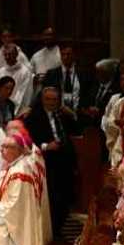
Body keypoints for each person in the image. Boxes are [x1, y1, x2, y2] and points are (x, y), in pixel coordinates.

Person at [26, 87, 81, 237]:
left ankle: (59, 230)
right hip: (46, 161)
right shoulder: (33, 117)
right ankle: (51, 232)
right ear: (42, 100)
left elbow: (77, 130)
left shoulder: (62, 116)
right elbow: (28, 141)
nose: (51, 102)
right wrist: (46, 146)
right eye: (48, 99)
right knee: (51, 198)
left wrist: (72, 114)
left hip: (64, 163)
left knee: (64, 199)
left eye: (54, 99)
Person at [0, 45, 35, 114]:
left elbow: (25, 94)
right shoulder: (0, 73)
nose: (7, 57)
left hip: (19, 110)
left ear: (16, 54)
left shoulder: (25, 72)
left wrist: (12, 110)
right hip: (0, 110)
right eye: (5, 55)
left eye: (10, 54)